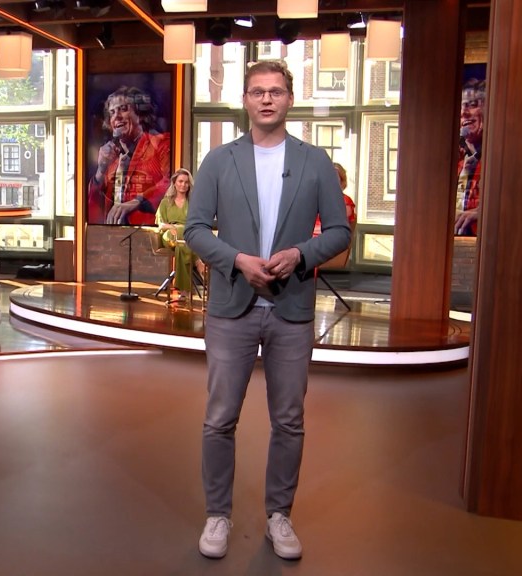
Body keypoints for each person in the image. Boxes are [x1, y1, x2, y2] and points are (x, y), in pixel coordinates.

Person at [184, 61, 351, 561]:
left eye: (275, 91)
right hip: (231, 308)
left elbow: (340, 233)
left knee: (289, 420)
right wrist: (237, 260)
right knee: (219, 419)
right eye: (257, 91)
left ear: (289, 99)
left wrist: (300, 254)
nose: (266, 99)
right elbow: (195, 230)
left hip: (291, 307)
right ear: (245, 100)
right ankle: (217, 515)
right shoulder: (219, 160)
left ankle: (280, 515)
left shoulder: (315, 161)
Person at [87, 85, 171, 226]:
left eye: (123, 109)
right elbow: (92, 210)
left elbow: (171, 182)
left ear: (140, 114)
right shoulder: (111, 160)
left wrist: (136, 202)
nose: (116, 116)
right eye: (112, 112)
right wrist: (100, 171)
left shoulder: (160, 144)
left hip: (148, 233)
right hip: (111, 235)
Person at [155, 169, 195, 301]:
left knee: (181, 247)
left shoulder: (193, 203)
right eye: (180, 181)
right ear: (174, 183)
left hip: (186, 237)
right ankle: (198, 261)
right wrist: (173, 227)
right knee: (182, 232)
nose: (183, 185)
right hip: (169, 235)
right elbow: (161, 224)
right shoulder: (165, 202)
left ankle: (184, 292)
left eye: (186, 182)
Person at [454, 78, 485, 236]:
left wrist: (484, 212)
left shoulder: (504, 160)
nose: (463, 113)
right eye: (460, 107)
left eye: (472, 105)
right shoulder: (458, 163)